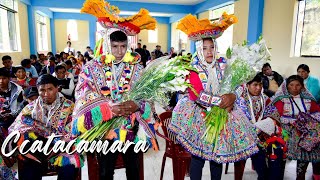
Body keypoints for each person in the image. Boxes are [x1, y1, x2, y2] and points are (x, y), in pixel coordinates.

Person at [72, 1, 158, 179]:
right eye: (115, 46)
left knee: (133, 169)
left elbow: (147, 94)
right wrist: (107, 107)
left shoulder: (137, 68)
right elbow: (82, 93)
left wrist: (137, 105)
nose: (119, 51)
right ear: (106, 44)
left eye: (123, 46)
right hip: (104, 128)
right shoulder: (91, 67)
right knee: (105, 170)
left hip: (130, 125)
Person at [168, 13, 238, 180]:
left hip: (221, 116)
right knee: (198, 158)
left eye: (211, 47)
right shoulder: (193, 67)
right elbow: (197, 94)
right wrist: (221, 101)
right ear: (199, 49)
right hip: (199, 115)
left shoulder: (223, 64)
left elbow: (235, 85)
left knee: (217, 159)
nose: (209, 52)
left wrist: (232, 96)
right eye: (204, 48)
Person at [9, 74, 81, 180]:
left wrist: (57, 143)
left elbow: (75, 130)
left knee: (68, 169)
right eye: (42, 90)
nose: (46, 94)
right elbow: (15, 128)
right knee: (29, 173)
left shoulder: (69, 107)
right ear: (38, 90)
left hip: (61, 150)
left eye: (50, 89)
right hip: (38, 151)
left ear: (57, 88)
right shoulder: (30, 108)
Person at [264, 75, 320, 180]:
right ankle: (279, 175)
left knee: (307, 152)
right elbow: (275, 116)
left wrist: (306, 120)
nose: (295, 88)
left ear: (302, 86)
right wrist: (292, 121)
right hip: (286, 132)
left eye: (298, 85)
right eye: (292, 85)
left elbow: (317, 114)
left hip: (304, 133)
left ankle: (302, 176)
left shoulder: (309, 99)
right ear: (287, 86)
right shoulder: (281, 99)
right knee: (280, 158)